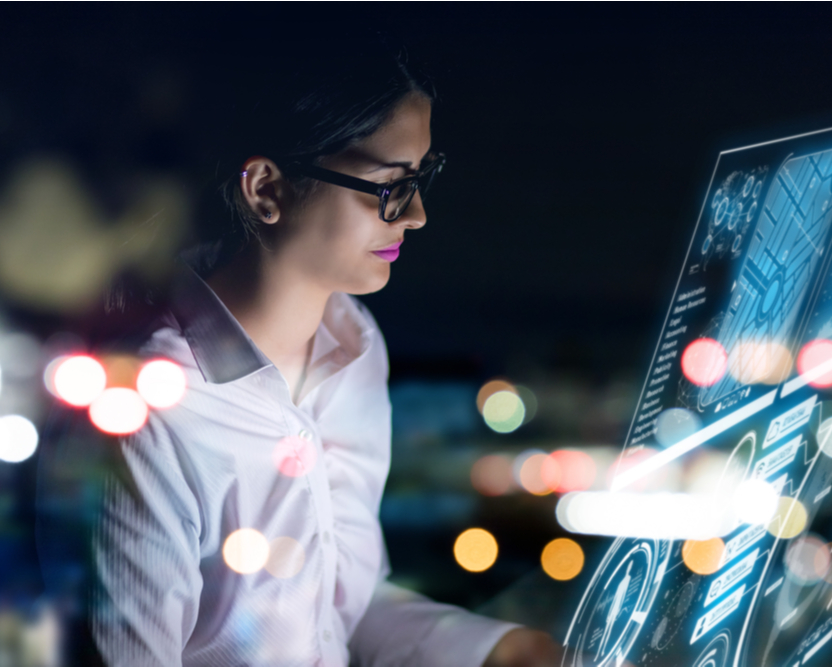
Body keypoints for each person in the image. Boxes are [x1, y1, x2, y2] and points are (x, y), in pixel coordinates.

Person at [37, 42, 561, 667]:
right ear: (265, 189)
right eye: (390, 186)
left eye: (421, 178)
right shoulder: (154, 406)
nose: (417, 215)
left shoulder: (357, 348)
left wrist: (499, 650)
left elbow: (333, 606)